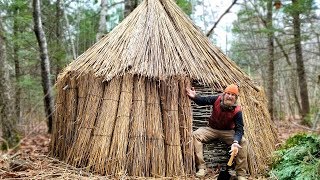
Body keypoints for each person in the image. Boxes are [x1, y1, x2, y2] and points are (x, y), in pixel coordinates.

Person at [186, 84, 248, 180]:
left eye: (233, 95)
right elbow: (203, 101)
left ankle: (240, 174)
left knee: (243, 142)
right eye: (228, 93)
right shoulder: (217, 99)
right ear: (224, 94)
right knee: (196, 135)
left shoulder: (237, 111)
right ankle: (202, 168)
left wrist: (235, 142)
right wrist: (194, 96)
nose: (230, 96)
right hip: (212, 129)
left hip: (228, 132)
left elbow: (240, 129)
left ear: (236, 98)